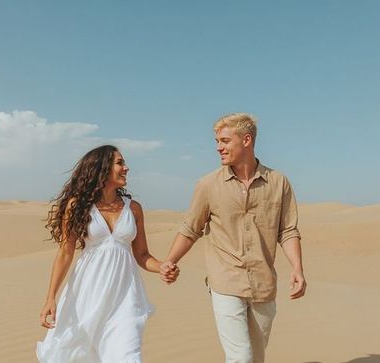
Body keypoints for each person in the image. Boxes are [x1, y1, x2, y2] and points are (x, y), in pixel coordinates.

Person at [159, 113, 307, 363]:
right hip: (225, 281)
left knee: (257, 358)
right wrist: (169, 261)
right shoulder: (208, 185)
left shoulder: (279, 183)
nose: (219, 147)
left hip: (263, 283)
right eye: (217, 141)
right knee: (240, 357)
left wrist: (297, 268)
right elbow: (190, 228)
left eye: (225, 141)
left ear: (246, 140)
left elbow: (288, 231)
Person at [36, 145, 179, 363]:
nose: (126, 168)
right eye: (120, 163)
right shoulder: (78, 206)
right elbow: (65, 253)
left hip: (125, 298)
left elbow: (141, 255)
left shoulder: (134, 209)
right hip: (87, 294)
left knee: (128, 356)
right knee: (76, 355)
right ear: (101, 169)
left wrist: (161, 266)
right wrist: (50, 297)